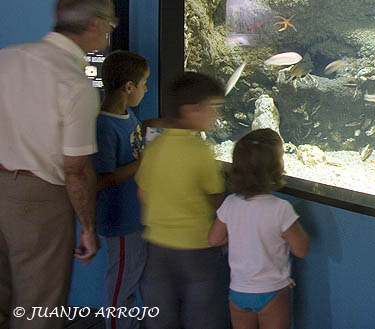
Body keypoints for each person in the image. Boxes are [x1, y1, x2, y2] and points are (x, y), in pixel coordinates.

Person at [0, 0, 115, 329]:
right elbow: (76, 169)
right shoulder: (75, 85)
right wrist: (88, 228)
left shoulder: (8, 57)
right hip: (38, 201)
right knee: (39, 304)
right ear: (94, 24)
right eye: (111, 22)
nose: (111, 30)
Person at [135, 72, 228, 329]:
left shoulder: (154, 148)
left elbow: (142, 193)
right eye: (213, 109)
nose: (216, 116)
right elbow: (216, 198)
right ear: (190, 110)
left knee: (159, 313)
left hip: (156, 246)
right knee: (203, 313)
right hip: (198, 247)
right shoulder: (201, 151)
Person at [208, 129, 310, 329]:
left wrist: (240, 233)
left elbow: (214, 239)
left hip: (238, 292)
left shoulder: (230, 203)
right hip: (273, 291)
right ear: (276, 168)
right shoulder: (281, 209)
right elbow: (301, 249)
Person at [94, 51, 150, 329]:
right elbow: (102, 179)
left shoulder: (128, 116)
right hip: (121, 220)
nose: (146, 89)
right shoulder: (104, 126)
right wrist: (143, 163)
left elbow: (135, 142)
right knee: (120, 283)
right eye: (144, 83)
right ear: (129, 87)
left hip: (134, 216)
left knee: (131, 277)